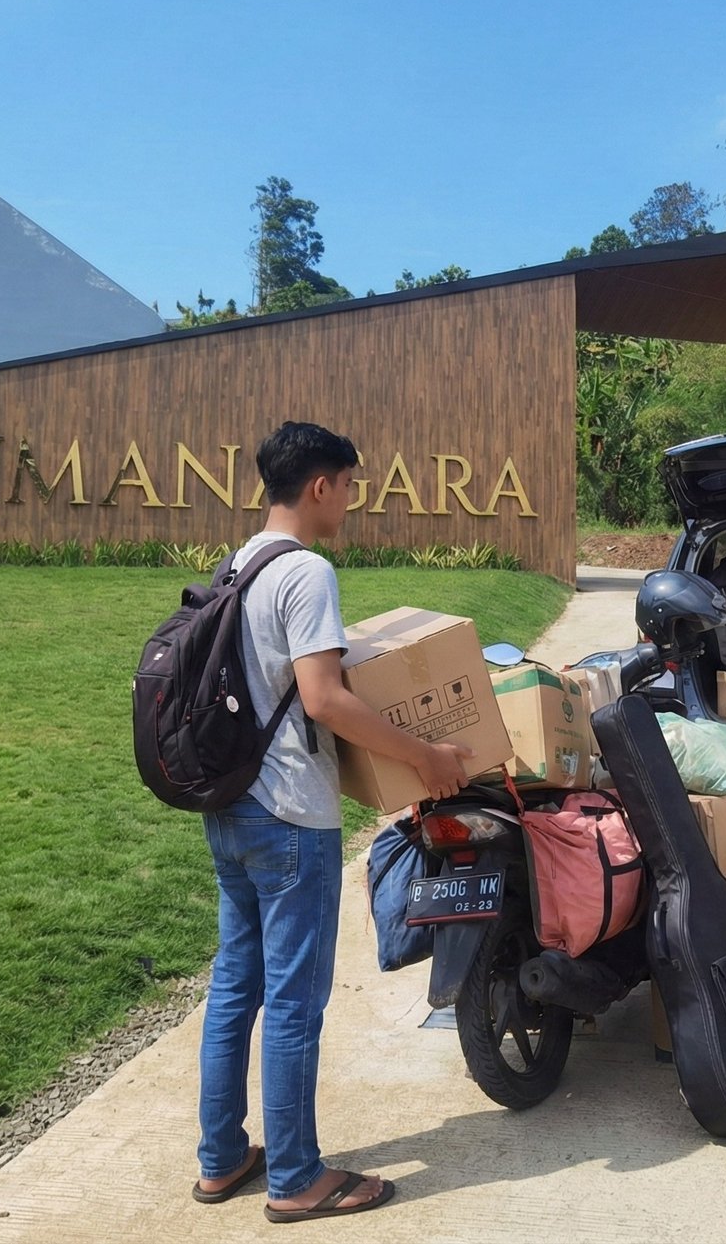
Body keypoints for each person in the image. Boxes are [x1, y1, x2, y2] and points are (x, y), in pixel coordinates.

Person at [193, 421, 470, 1220]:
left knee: (235, 984)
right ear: (320, 485)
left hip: (233, 807)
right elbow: (324, 698)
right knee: (292, 1000)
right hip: (289, 814)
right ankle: (295, 1178)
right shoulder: (306, 571)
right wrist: (425, 755)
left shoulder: (238, 563)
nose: (351, 500)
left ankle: (221, 1157)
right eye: (349, 486)